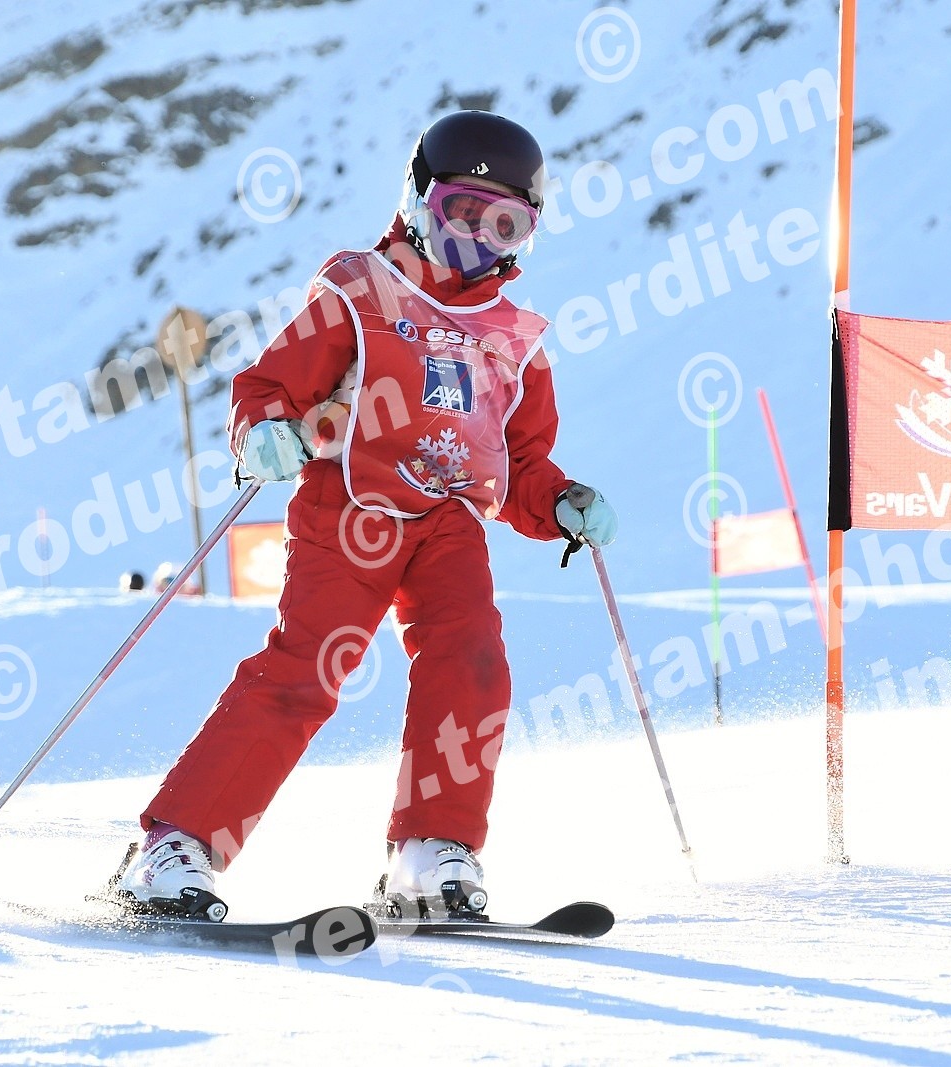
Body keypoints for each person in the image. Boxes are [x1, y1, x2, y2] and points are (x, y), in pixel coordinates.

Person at [113, 110, 618, 920]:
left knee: (473, 663)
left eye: (503, 225)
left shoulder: (512, 340)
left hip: (449, 521)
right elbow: (270, 385)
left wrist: (559, 500)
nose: (477, 241)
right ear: (418, 199)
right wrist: (265, 430)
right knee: (304, 672)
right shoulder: (361, 291)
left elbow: (520, 461)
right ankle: (176, 845)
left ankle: (430, 851)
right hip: (350, 503)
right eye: (461, 213)